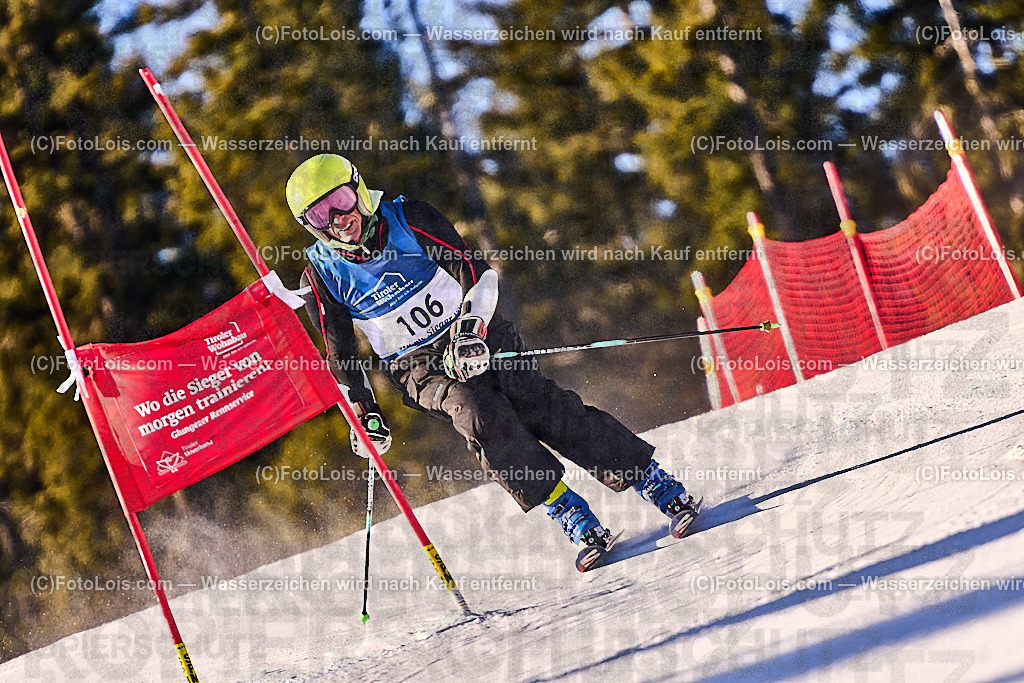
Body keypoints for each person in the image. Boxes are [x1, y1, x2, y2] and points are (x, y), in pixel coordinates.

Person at [286, 154, 699, 554]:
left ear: (358, 189)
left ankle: (651, 480)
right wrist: (363, 413)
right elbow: (340, 353)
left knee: (537, 404)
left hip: (473, 327)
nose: (340, 219)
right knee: (478, 413)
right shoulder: (320, 275)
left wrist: (471, 330)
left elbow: (475, 271)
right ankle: (569, 512)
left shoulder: (407, 217)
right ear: (311, 226)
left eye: (341, 200)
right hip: (417, 367)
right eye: (321, 215)